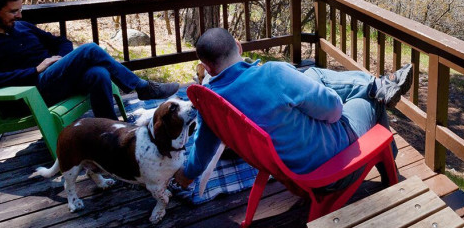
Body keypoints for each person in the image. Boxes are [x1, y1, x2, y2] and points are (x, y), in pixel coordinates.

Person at [173, 27, 413, 189]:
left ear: (206, 67)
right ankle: (390, 172)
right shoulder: (273, 74)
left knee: (311, 74)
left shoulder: (212, 102)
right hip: (325, 169)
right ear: (238, 46)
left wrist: (187, 174)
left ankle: (378, 85)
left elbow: (203, 148)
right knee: (371, 100)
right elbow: (334, 111)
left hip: (283, 169)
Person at [0, 0, 179, 120]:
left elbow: (60, 41)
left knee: (98, 73)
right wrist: (34, 70)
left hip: (52, 81)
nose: (20, 15)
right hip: (27, 95)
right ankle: (143, 88)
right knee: (89, 49)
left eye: (20, 9)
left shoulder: (20, 27)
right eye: (13, 11)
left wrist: (61, 60)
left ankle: (108, 132)